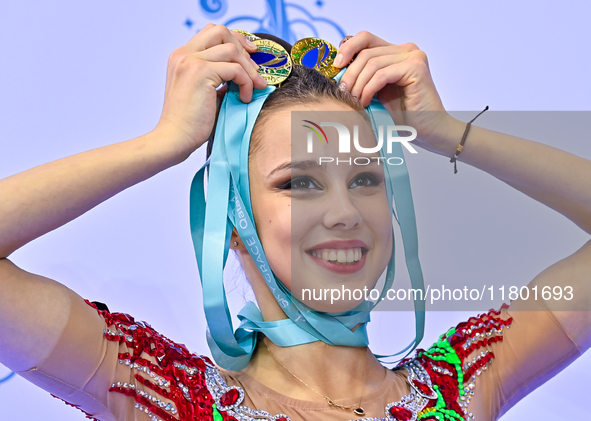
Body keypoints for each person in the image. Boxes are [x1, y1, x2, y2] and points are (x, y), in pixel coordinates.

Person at [0, 24, 590, 421]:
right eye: (297, 183)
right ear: (232, 220)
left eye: (365, 178)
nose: (343, 212)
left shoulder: (459, 386)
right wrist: (162, 144)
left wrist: (447, 132)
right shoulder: (163, 393)